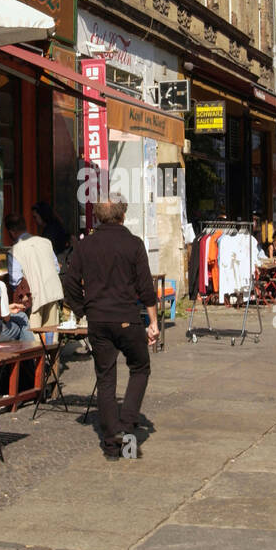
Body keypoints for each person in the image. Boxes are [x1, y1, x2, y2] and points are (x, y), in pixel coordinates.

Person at [60, 194, 159, 461]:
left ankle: (111, 442)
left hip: (98, 320)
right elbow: (145, 287)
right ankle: (126, 427)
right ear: (123, 215)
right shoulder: (133, 244)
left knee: (105, 377)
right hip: (126, 317)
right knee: (140, 367)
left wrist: (83, 310)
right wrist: (153, 322)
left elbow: (69, 282)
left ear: (99, 217)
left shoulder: (85, 245)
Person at [4, 212, 63, 329]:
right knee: (51, 338)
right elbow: (56, 268)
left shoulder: (15, 250)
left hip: (34, 298)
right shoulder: (46, 242)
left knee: (35, 340)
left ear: (11, 232)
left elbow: (15, 280)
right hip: (53, 293)